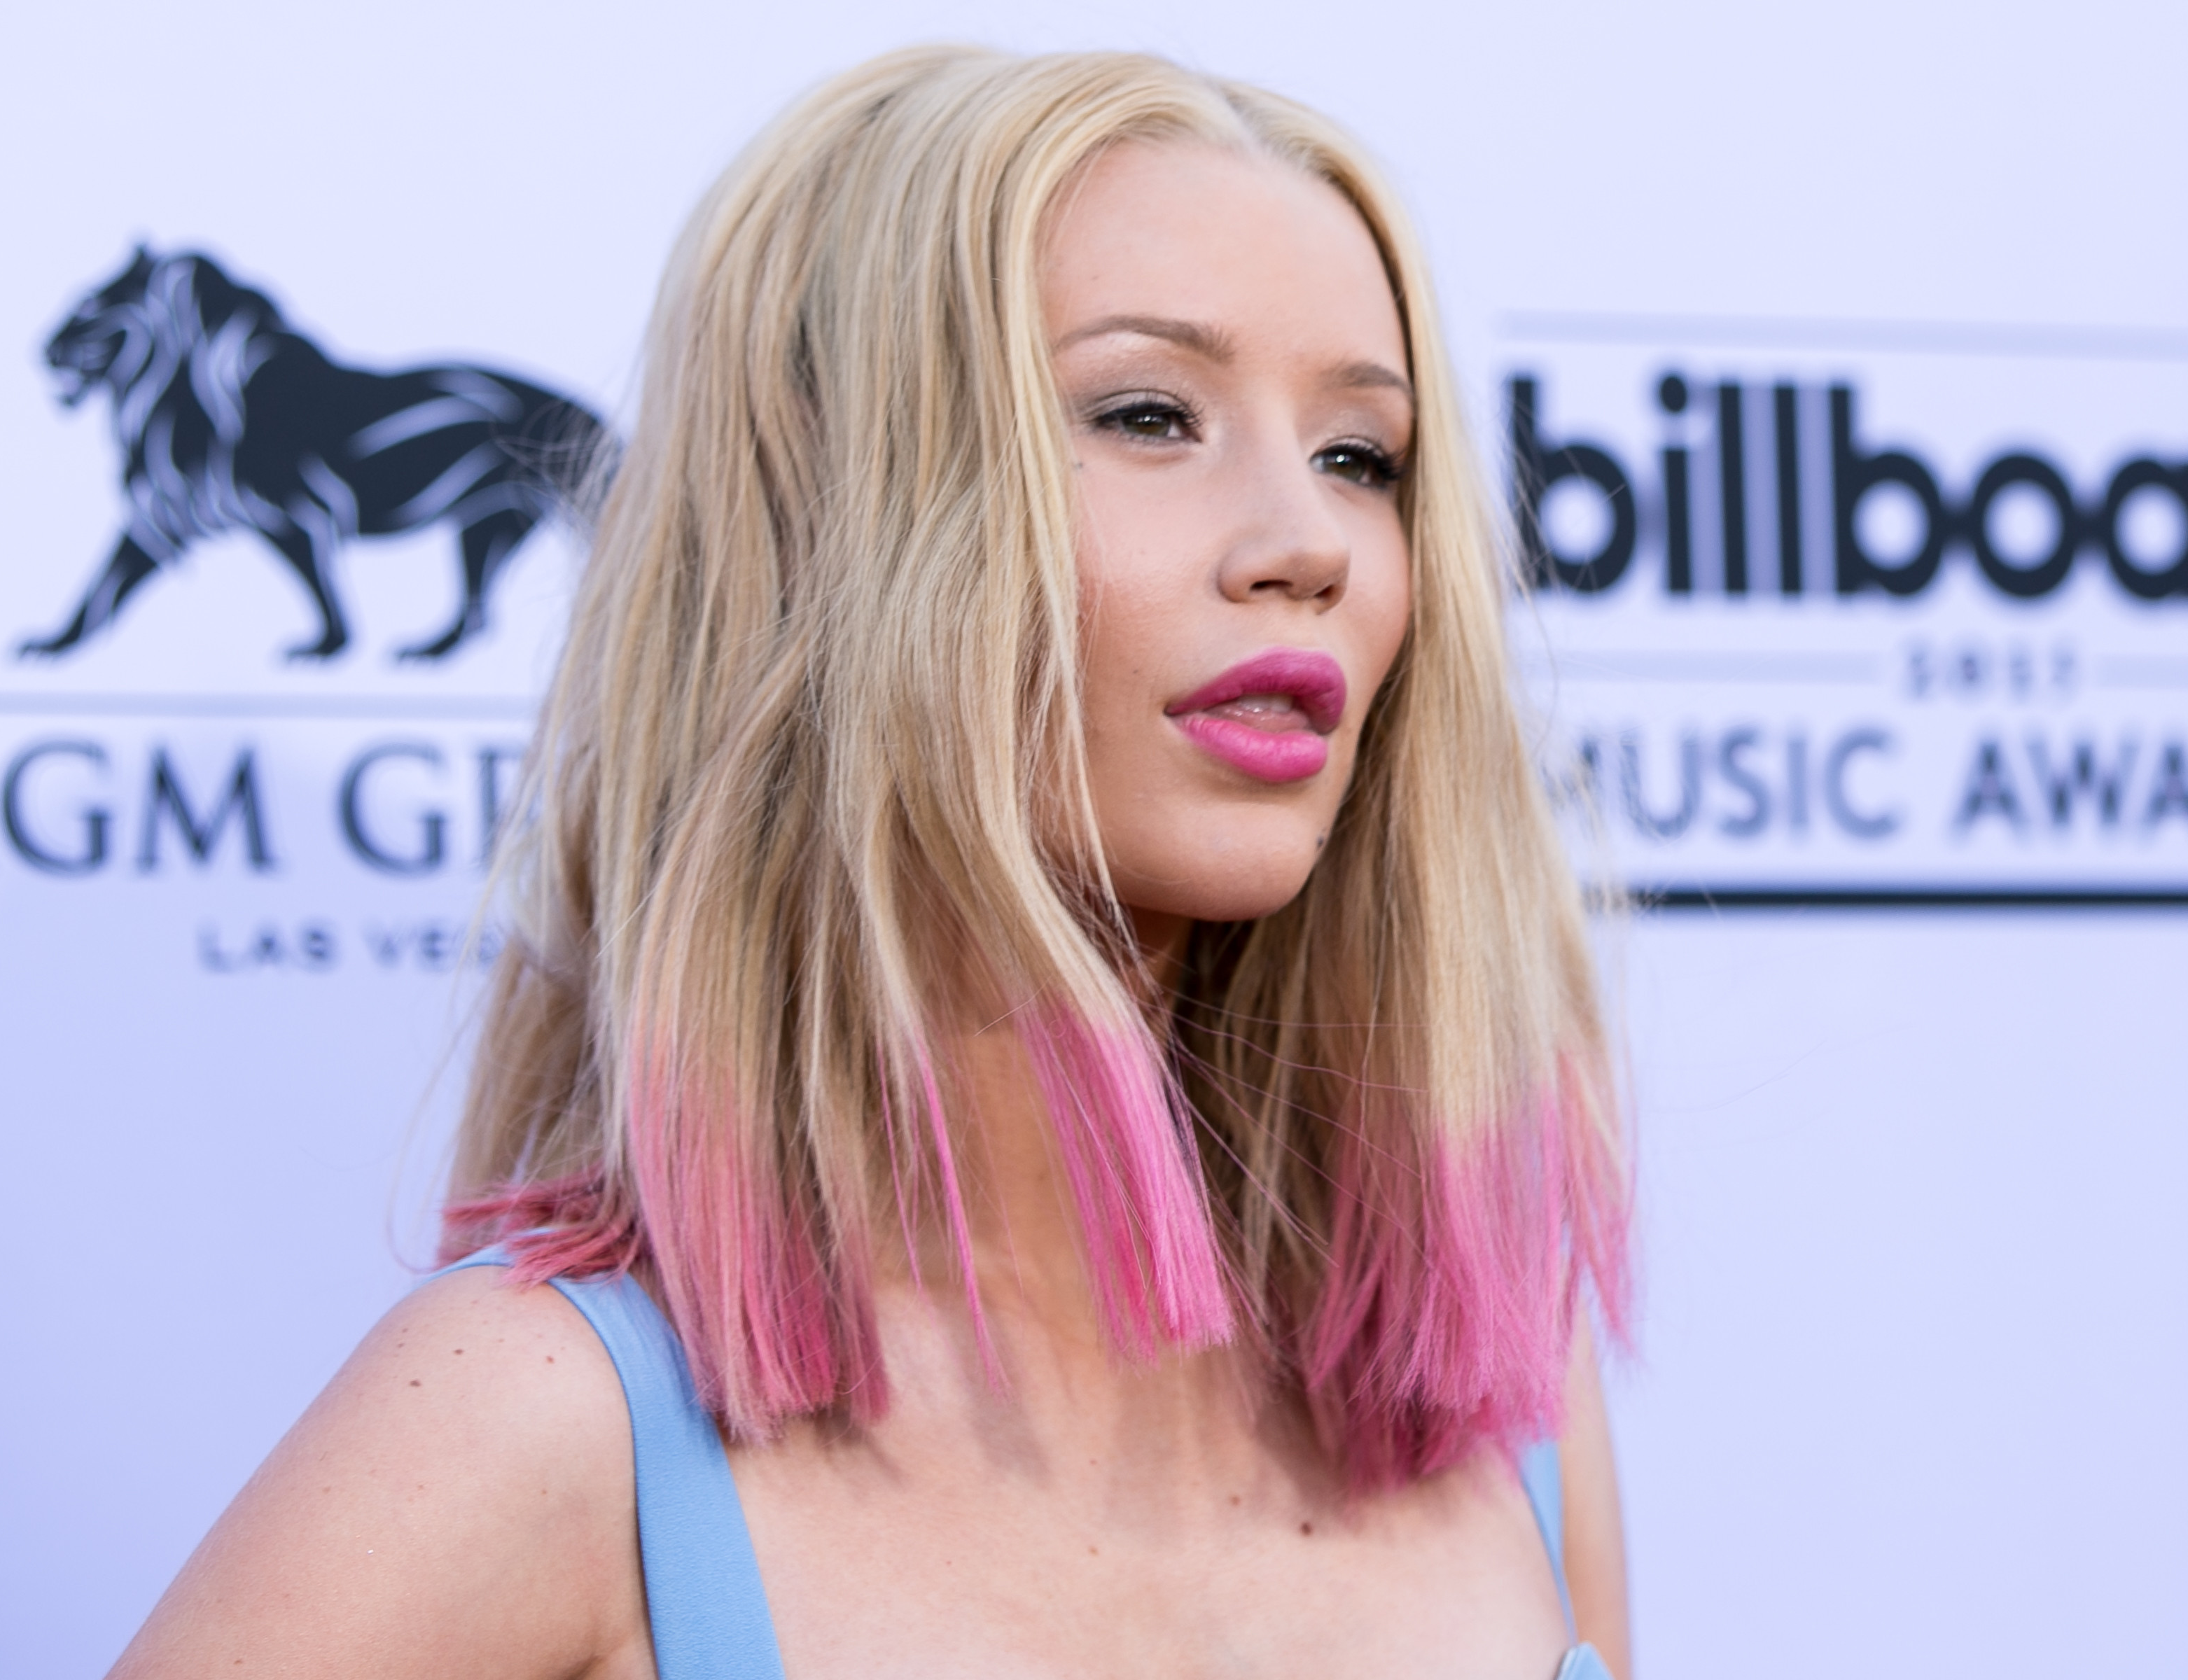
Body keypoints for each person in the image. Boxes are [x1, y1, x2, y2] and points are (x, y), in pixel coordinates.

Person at [109, 46, 1633, 1680]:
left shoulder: (1488, 1371)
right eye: (1147, 415)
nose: (1310, 543)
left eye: (1361, 455)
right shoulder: (535, 1430)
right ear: (835, 521)